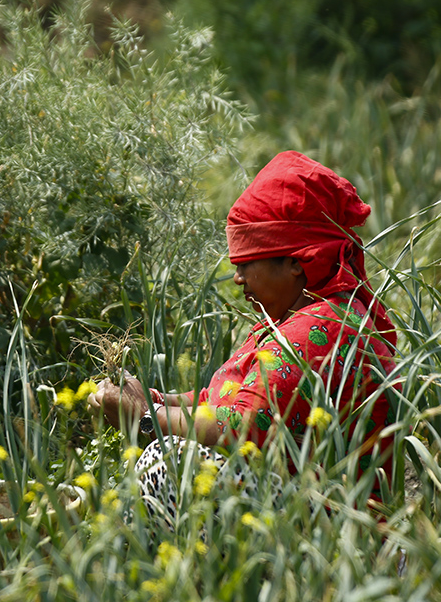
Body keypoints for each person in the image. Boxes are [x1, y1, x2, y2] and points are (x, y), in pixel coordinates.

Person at [87, 150, 397, 524]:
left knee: (169, 460)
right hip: (295, 506)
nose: (237, 279)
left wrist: (146, 417)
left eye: (246, 264)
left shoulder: (321, 331)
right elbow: (223, 401)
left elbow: (242, 425)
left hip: (334, 534)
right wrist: (155, 399)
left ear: (298, 262)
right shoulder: (291, 319)